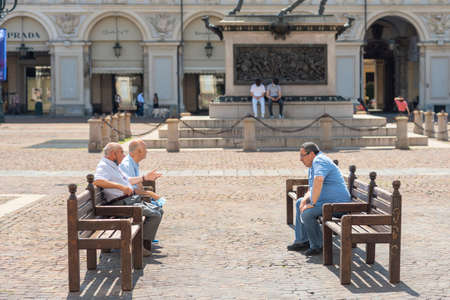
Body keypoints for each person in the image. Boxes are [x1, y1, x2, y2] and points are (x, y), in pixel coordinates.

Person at [94, 142, 163, 256]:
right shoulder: (104, 165)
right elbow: (97, 181)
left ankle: (142, 244)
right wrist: (120, 187)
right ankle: (137, 246)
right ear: (113, 154)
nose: (124, 155)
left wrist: (144, 178)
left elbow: (128, 180)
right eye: (121, 152)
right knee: (155, 214)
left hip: (129, 200)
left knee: (158, 210)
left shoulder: (113, 165)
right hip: (120, 205)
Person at [287, 142, 351, 255]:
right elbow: (312, 187)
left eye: (302, 155)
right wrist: (304, 200)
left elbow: (319, 180)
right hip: (327, 203)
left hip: (339, 205)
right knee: (299, 203)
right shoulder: (314, 164)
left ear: (311, 154)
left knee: (307, 213)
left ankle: (318, 245)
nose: (300, 159)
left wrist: (312, 202)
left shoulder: (319, 161)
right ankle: (303, 240)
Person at [119, 140, 165, 246]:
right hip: (127, 201)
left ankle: (146, 240)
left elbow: (137, 184)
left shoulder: (133, 163)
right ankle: (141, 244)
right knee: (156, 212)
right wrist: (150, 193)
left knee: (159, 208)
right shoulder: (127, 165)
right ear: (137, 152)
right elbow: (129, 188)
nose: (147, 151)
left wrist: (147, 192)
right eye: (144, 149)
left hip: (133, 198)